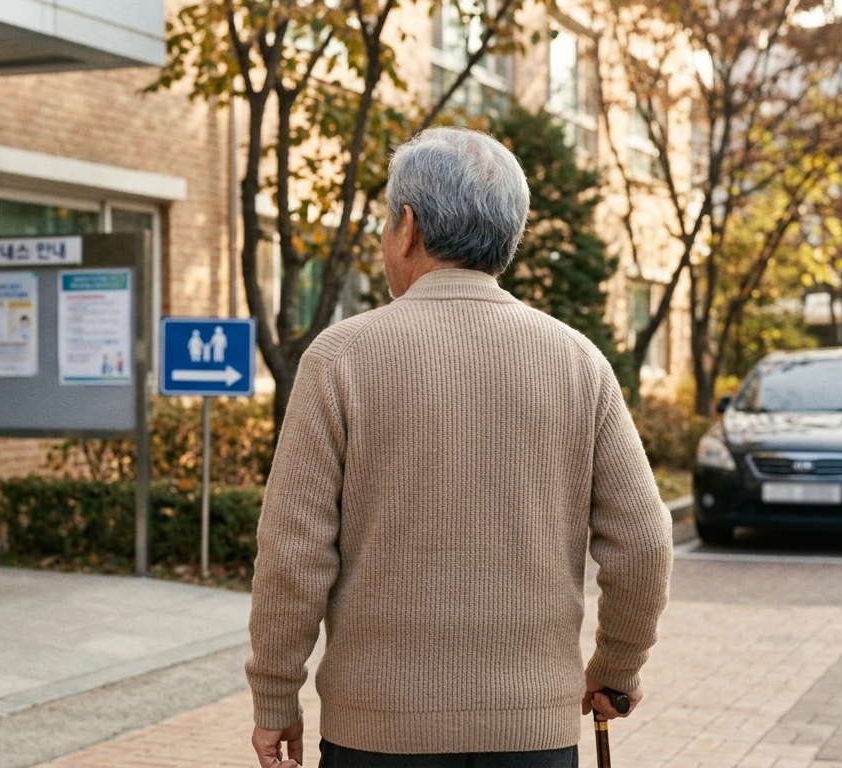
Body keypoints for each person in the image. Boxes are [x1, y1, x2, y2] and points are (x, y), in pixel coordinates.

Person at [246, 126, 673, 768]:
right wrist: (615, 668)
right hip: (535, 732)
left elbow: (293, 551)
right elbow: (643, 538)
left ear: (408, 227)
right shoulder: (578, 360)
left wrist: (276, 697)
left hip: (377, 732)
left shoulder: (339, 358)